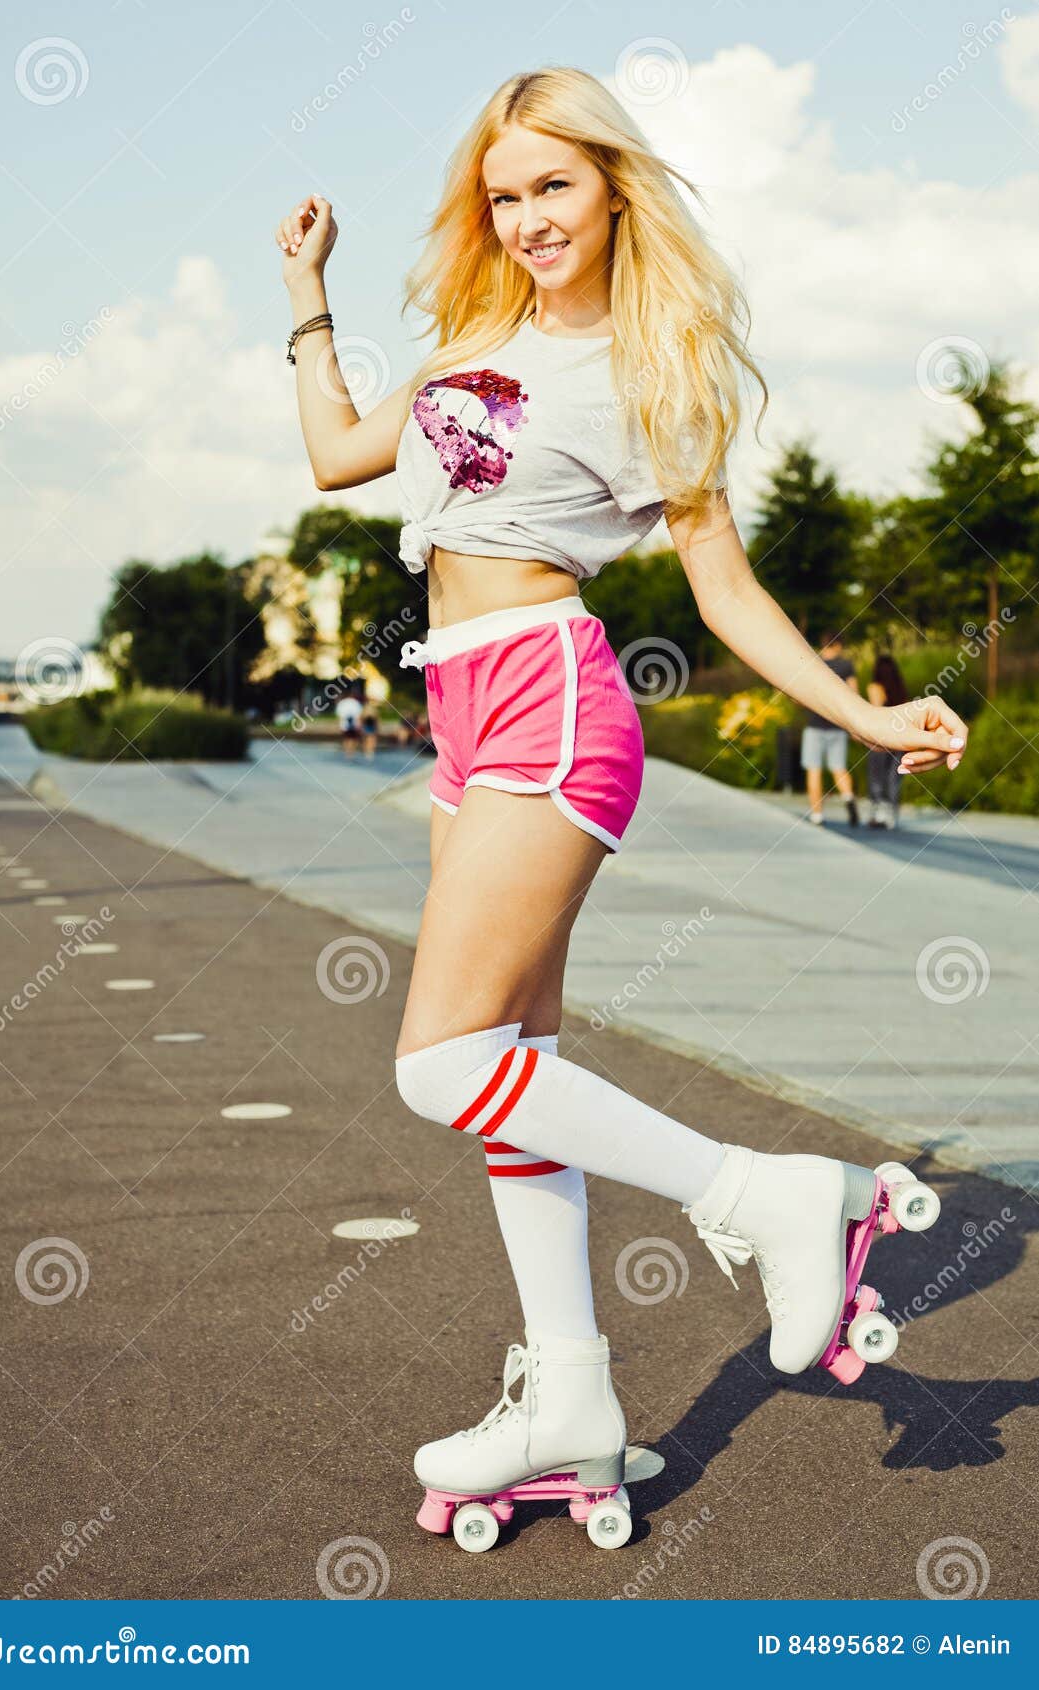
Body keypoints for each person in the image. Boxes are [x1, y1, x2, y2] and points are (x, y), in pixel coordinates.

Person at [276, 66, 968, 1504]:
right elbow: (343, 455)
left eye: (554, 186)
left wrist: (862, 708)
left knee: (437, 1059)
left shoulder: (659, 367)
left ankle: (759, 1193)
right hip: (462, 703)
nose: (527, 216)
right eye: (505, 192)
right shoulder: (478, 333)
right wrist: (308, 295)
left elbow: (723, 588)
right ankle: (571, 1395)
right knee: (502, 1084)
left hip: (549, 691)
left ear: (611, 189)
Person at [801, 631, 860, 827]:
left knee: (814, 770)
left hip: (815, 724)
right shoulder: (845, 666)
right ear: (838, 645)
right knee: (839, 767)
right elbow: (854, 695)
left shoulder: (814, 664)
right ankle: (848, 797)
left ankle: (817, 815)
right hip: (837, 726)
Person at [865, 653, 910, 828]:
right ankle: (892, 815)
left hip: (880, 737)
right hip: (899, 737)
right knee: (894, 777)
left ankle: (879, 813)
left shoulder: (875, 687)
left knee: (877, 776)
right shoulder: (900, 688)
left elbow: (877, 711)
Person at [334, 689, 362, 756]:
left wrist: (339, 725)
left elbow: (339, 716)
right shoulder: (356, 703)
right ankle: (351, 752)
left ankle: (347, 752)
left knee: (346, 738)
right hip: (354, 724)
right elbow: (359, 716)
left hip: (344, 724)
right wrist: (359, 725)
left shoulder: (342, 703)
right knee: (353, 739)